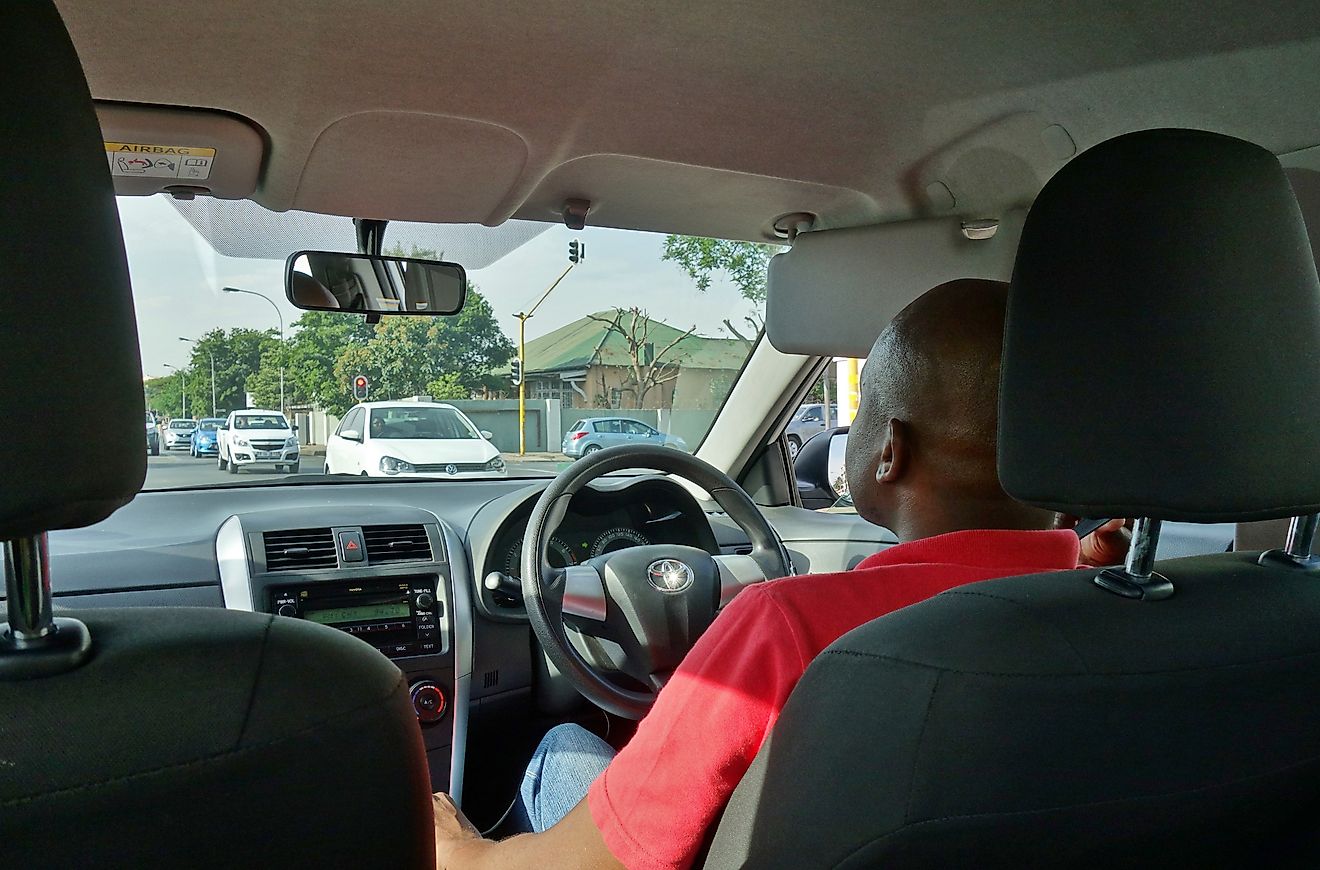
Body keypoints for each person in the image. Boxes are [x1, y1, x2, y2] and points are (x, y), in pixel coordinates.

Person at [431, 278, 1131, 870]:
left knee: (561, 750)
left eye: (861, 414)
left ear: (888, 452)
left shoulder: (785, 625)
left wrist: (467, 854)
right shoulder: (1135, 611)